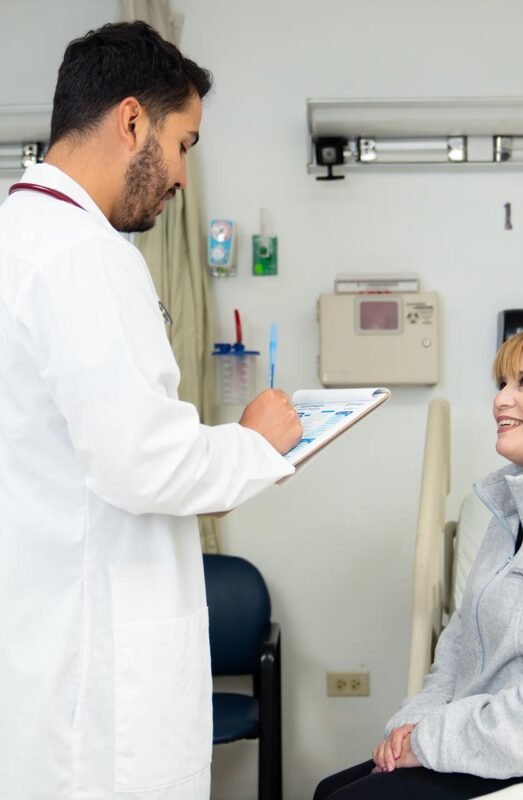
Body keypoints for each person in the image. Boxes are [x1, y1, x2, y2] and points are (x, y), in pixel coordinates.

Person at [0, 21, 302, 800]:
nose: (180, 177)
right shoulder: (86, 256)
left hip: (45, 652)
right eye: (184, 145)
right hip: (98, 687)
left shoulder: (18, 238)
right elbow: (144, 461)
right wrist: (257, 444)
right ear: (133, 121)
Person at [314, 328, 523, 800]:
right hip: (487, 741)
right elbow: (459, 642)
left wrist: (429, 742)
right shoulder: (510, 508)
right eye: (502, 383)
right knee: (329, 790)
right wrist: (414, 722)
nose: (502, 400)